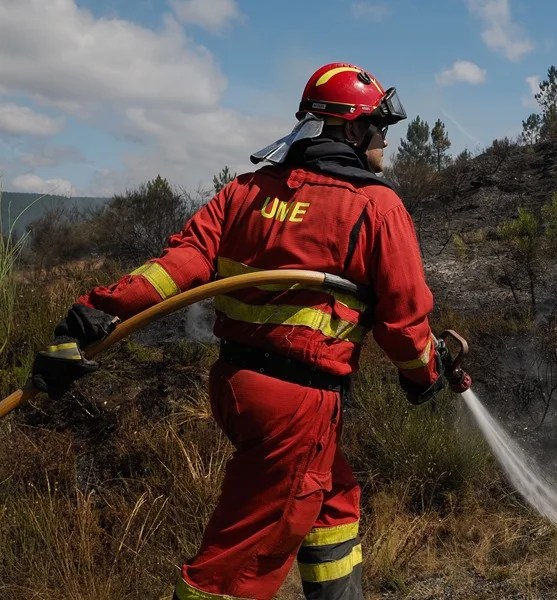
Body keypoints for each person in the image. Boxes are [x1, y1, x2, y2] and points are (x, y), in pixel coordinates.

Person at [31, 62, 449, 600]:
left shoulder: (244, 192)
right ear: (349, 129)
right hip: (297, 405)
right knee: (230, 573)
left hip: (234, 387)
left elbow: (176, 266)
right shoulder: (376, 206)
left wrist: (88, 316)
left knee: (333, 498)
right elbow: (403, 322)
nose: (385, 142)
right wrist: (424, 376)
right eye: (379, 128)